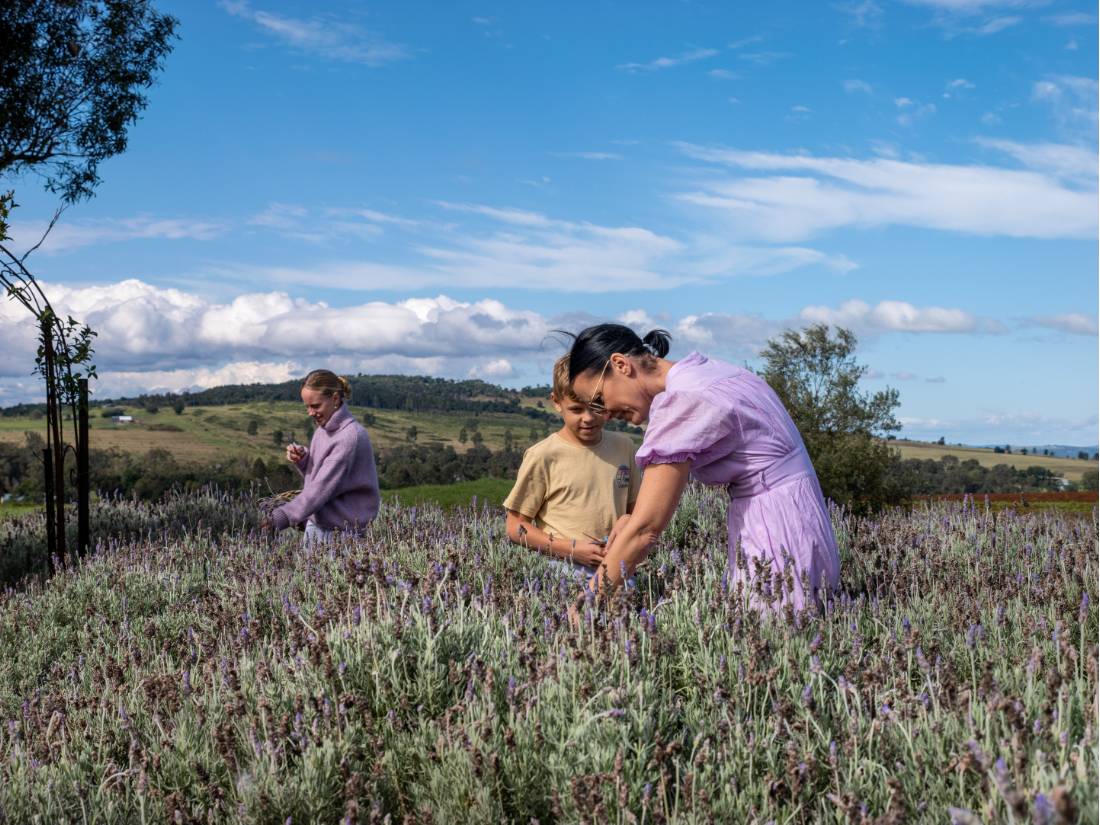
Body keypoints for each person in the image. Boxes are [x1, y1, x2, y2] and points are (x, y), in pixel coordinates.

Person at [567, 324, 840, 611]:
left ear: (621, 364)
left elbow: (646, 528)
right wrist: (632, 519)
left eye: (599, 399)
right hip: (803, 516)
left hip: (775, 531)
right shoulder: (712, 372)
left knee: (775, 638)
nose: (605, 414)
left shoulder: (683, 400)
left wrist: (589, 601)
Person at [503, 355, 641, 582]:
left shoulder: (624, 446)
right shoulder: (543, 455)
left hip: (618, 566)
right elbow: (515, 525)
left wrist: (627, 526)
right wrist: (571, 550)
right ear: (556, 402)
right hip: (562, 570)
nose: (588, 418)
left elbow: (636, 510)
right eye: (576, 409)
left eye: (597, 407)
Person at [263, 369, 380, 543]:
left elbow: (321, 488)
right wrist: (304, 460)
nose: (310, 412)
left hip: (340, 535)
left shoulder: (349, 437)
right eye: (307, 407)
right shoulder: (322, 430)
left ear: (334, 399)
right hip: (318, 527)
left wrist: (281, 517)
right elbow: (321, 477)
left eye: (315, 406)